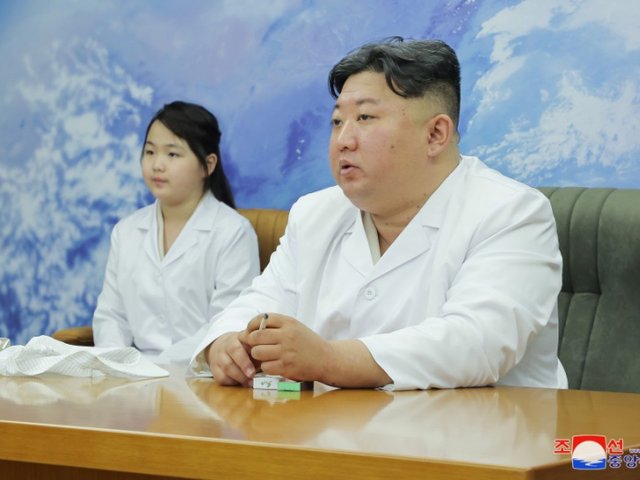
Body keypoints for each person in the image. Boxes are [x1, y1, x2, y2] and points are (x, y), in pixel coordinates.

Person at [190, 38, 567, 390]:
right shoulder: (315, 212)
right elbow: (259, 303)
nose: (343, 140)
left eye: (366, 118)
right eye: (337, 122)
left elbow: (476, 343)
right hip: (333, 430)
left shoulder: (511, 212)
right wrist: (226, 343)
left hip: (484, 432)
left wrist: (329, 360)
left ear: (435, 134)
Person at [93, 101, 260, 364]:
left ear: (208, 165)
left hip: (200, 374)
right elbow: (111, 316)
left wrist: (161, 367)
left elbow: (227, 323)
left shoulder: (233, 233)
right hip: (132, 375)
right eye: (150, 152)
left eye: (172, 154)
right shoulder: (126, 232)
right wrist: (118, 365)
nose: (157, 165)